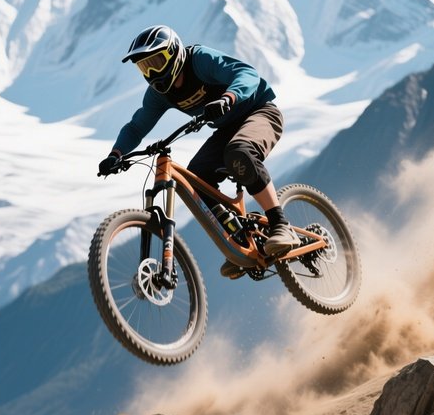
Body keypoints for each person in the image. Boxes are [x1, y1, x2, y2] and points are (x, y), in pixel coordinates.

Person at [98, 25, 299, 278]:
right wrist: (115, 155)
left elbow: (247, 75)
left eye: (156, 62)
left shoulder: (199, 60)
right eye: (144, 68)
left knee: (239, 152)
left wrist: (228, 98)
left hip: (259, 111)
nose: (152, 73)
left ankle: (281, 224)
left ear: (174, 54)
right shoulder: (159, 95)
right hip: (226, 128)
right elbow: (137, 126)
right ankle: (238, 242)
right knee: (197, 182)